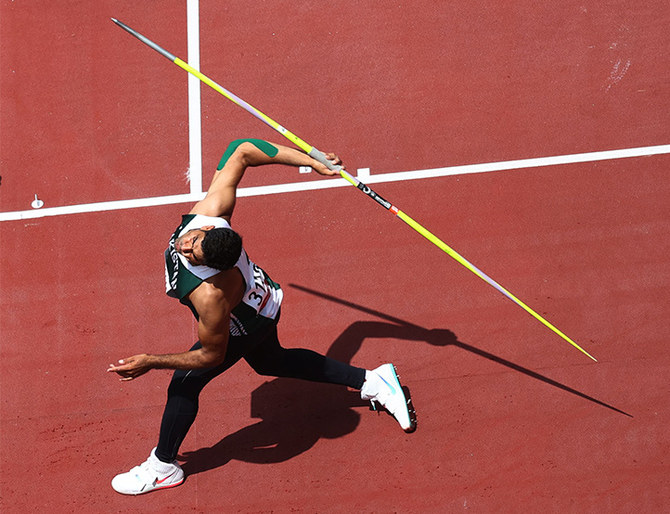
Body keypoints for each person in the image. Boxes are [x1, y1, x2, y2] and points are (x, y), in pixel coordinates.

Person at [107, 139, 416, 495]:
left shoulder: (211, 296)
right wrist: (310, 161)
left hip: (247, 320)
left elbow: (211, 355)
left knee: (184, 382)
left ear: (213, 266)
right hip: (262, 301)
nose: (184, 246)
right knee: (272, 361)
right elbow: (243, 150)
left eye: (194, 252)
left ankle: (163, 466)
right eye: (191, 240)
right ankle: (374, 381)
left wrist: (151, 361)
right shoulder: (212, 212)